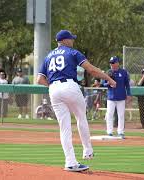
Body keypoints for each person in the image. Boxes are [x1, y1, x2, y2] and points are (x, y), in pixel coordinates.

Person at [36, 30, 116, 172]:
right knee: (81, 117)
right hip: (70, 86)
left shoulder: (48, 56)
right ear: (65, 40)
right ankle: (87, 151)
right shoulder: (72, 52)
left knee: (64, 128)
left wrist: (54, 86)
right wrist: (109, 79)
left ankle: (70, 162)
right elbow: (91, 70)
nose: (73, 41)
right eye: (71, 39)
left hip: (53, 89)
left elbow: (39, 79)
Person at [103, 56, 131, 139]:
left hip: (121, 97)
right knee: (109, 114)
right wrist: (109, 83)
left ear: (117, 63)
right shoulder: (109, 72)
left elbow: (127, 84)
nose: (111, 65)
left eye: (113, 63)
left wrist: (129, 94)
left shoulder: (123, 72)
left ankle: (121, 132)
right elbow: (103, 84)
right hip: (111, 97)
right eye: (111, 63)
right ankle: (109, 131)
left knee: (121, 115)